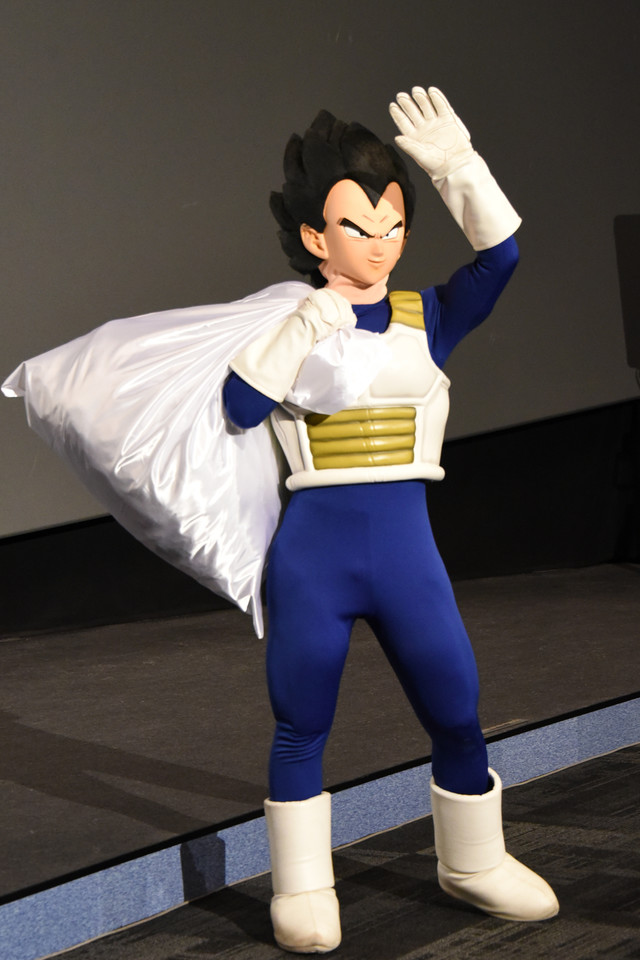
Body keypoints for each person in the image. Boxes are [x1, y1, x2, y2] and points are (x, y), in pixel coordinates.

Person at [223, 86, 559, 953]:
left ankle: (474, 861)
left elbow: (503, 258)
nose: (379, 243)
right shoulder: (286, 321)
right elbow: (239, 404)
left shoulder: (426, 316)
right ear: (314, 237)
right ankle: (302, 884)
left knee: (456, 704)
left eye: (394, 225)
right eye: (357, 226)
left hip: (407, 547)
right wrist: (304, 325)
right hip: (316, 555)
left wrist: (461, 170)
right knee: (302, 718)